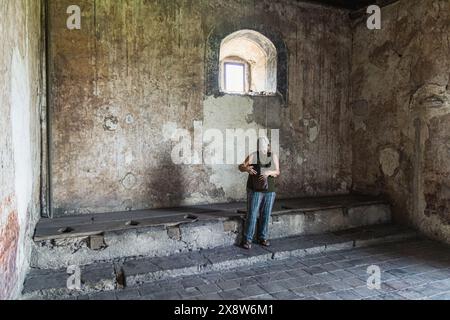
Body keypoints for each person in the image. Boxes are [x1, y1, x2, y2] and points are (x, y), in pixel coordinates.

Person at [238, 136, 280, 250]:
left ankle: (263, 237)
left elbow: (277, 172)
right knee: (252, 214)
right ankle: (247, 240)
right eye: (259, 145)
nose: (262, 148)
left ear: (268, 145)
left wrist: (269, 172)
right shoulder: (253, 155)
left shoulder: (273, 156)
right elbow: (241, 166)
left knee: (265, 214)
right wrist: (247, 169)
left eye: (264, 145)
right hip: (254, 189)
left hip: (269, 190)